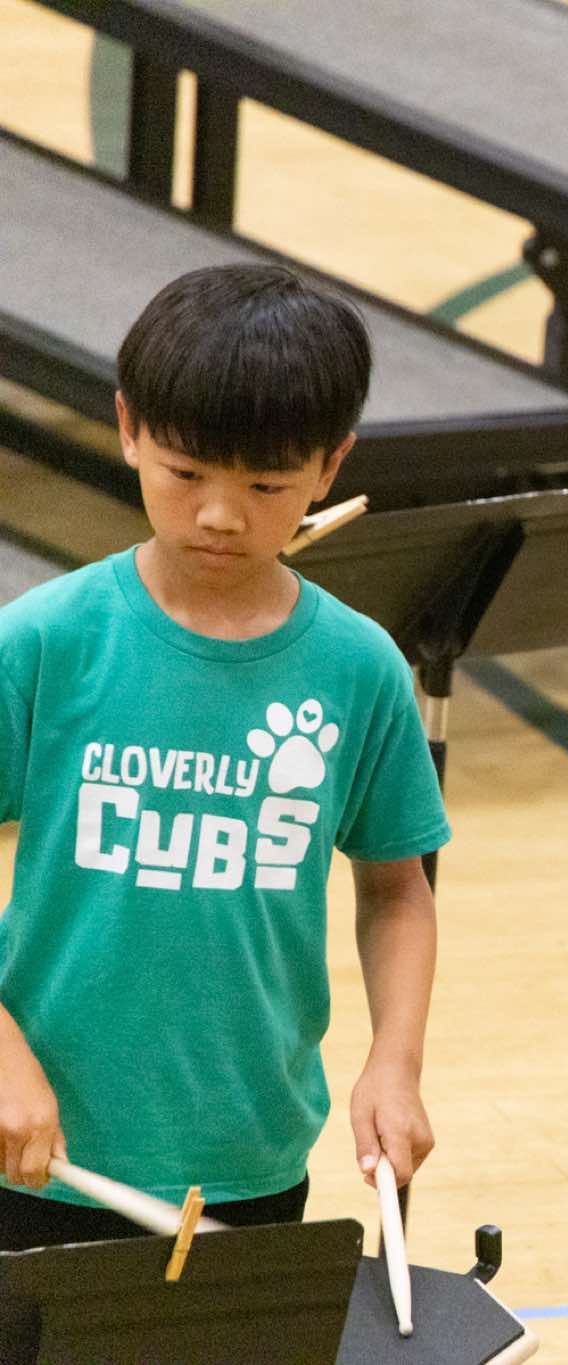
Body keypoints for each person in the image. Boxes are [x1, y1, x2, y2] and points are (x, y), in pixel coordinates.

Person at [0, 263, 448, 1250]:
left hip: (249, 1155)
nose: (219, 514)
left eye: (266, 486)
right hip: (36, 1147)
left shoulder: (358, 667)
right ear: (128, 427)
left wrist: (395, 1061)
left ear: (331, 466)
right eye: (186, 472)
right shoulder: (44, 641)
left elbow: (396, 891)